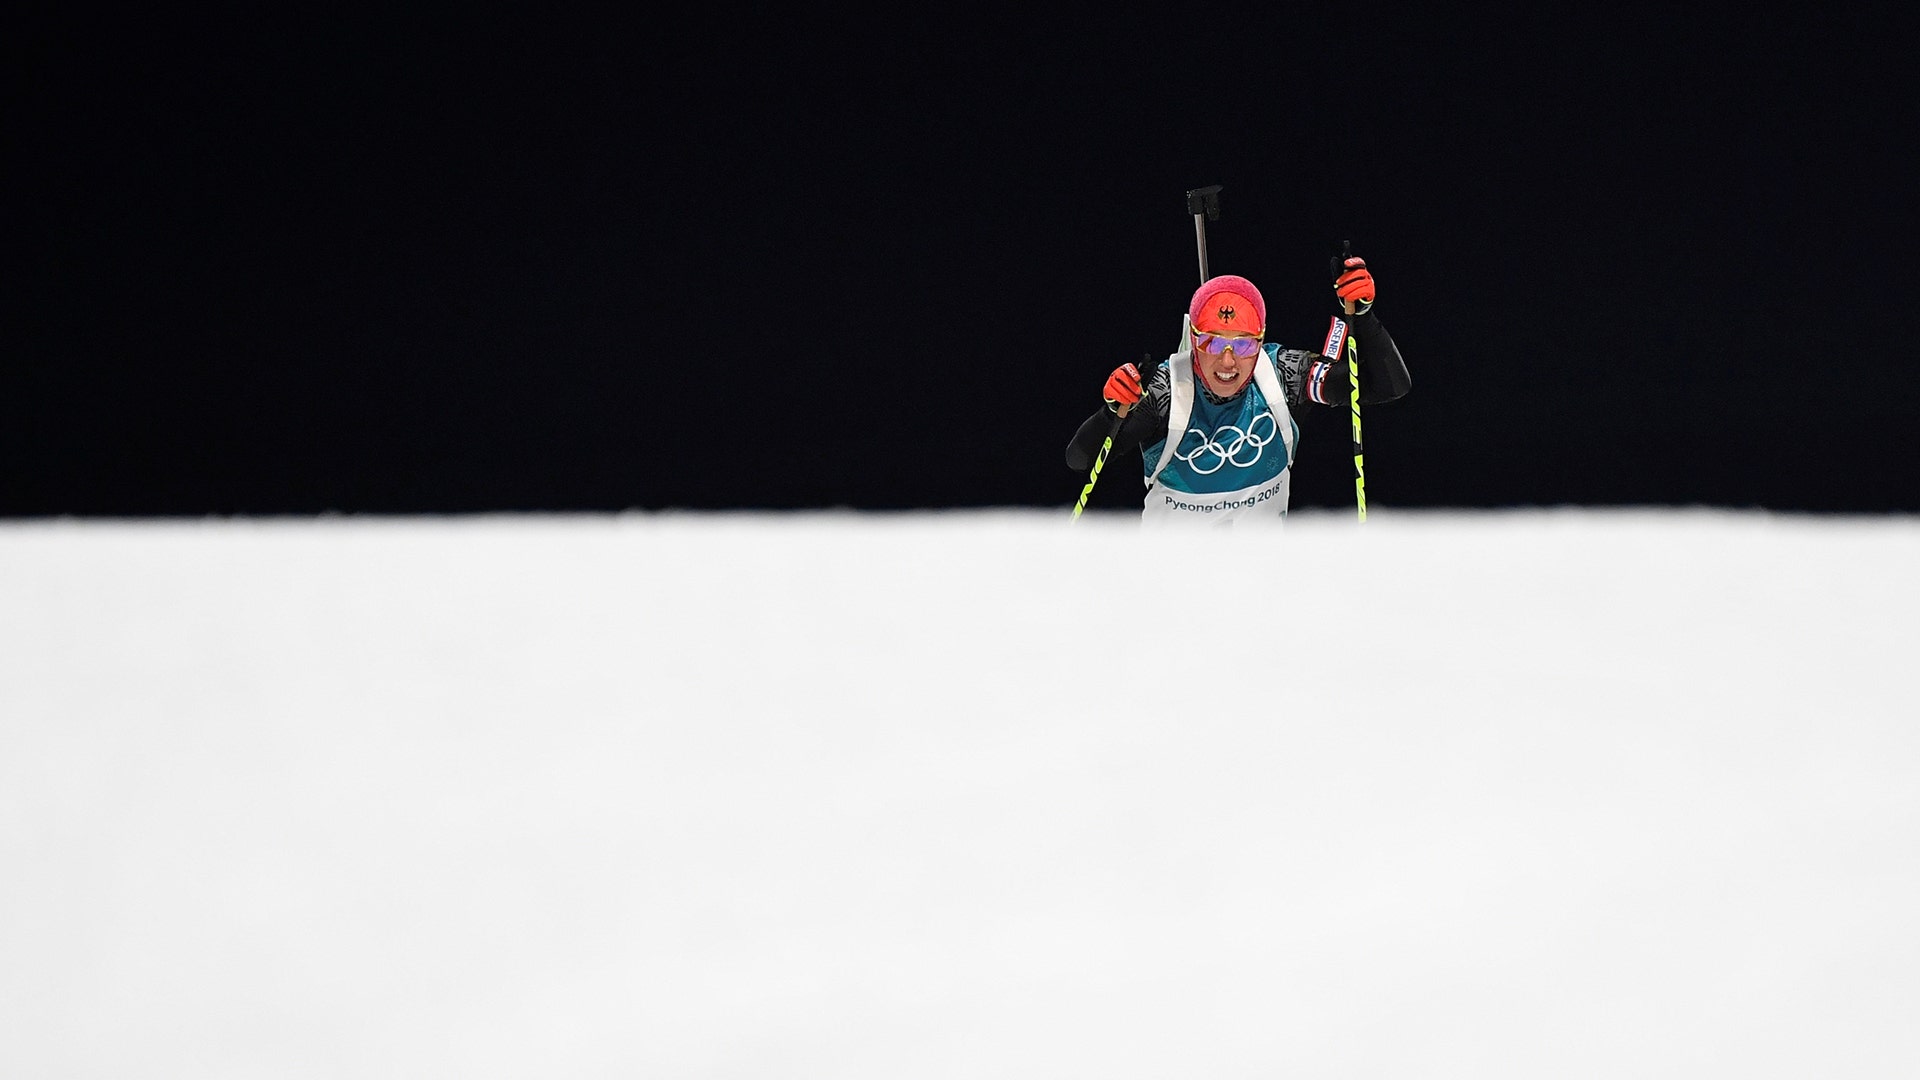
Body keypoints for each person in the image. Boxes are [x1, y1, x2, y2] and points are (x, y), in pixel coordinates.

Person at [1065, 254, 1412, 524]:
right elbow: (1080, 459)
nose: (1228, 361)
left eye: (1244, 344)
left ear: (1261, 341)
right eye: (1213, 343)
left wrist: (1364, 317)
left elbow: (1389, 386)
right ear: (1193, 341)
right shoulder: (1165, 391)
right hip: (1170, 580)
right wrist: (1111, 411)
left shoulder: (1284, 375)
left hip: (1258, 579)